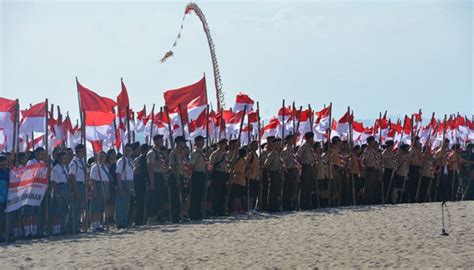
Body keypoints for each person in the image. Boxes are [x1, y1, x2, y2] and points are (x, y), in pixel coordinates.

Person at [23, 147, 46, 238]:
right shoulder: (31, 162)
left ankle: (34, 231)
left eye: (43, 154)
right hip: (30, 190)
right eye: (41, 154)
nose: (42, 156)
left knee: (36, 213)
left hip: (39, 191)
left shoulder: (42, 163)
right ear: (36, 154)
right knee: (28, 213)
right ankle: (27, 232)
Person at [146, 135, 169, 223]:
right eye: (160, 140)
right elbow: (150, 168)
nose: (161, 141)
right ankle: (152, 217)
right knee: (153, 197)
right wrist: (152, 182)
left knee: (161, 197)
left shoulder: (161, 153)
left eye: (162, 140)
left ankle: (159, 215)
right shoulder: (152, 153)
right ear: (155, 141)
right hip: (154, 176)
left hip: (161, 175)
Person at [89, 151, 110, 231]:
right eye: (100, 156)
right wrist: (93, 189)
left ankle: (99, 224)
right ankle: (94, 224)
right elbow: (92, 179)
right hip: (97, 185)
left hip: (104, 185)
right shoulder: (95, 167)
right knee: (95, 206)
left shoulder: (105, 167)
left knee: (101, 207)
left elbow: (107, 179)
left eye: (103, 157)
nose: (102, 158)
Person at [50, 151, 69, 235]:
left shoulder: (64, 167)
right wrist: (57, 194)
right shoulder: (55, 169)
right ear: (59, 158)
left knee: (63, 210)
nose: (65, 159)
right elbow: (54, 182)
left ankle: (62, 228)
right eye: (63, 158)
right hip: (59, 188)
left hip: (65, 188)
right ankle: (55, 229)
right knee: (56, 211)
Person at [115, 144, 135, 229]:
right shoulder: (121, 161)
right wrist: (120, 187)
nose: (127, 152)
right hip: (123, 182)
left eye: (129, 150)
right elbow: (118, 174)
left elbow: (132, 174)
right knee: (121, 204)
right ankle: (120, 222)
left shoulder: (131, 161)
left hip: (129, 182)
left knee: (127, 203)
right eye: (126, 150)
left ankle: (125, 220)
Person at [69, 144, 87, 233]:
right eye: (83, 151)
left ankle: (76, 226)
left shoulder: (82, 161)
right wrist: (75, 189)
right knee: (75, 207)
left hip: (82, 184)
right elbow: (72, 176)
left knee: (79, 207)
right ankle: (73, 227)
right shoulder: (74, 162)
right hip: (77, 185)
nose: (84, 153)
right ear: (78, 151)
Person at [168, 136, 187, 223]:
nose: (184, 144)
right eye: (183, 142)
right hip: (175, 177)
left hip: (182, 176)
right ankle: (175, 217)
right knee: (175, 198)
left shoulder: (181, 154)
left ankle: (181, 215)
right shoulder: (173, 153)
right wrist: (177, 179)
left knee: (182, 197)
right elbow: (173, 166)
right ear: (178, 143)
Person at [189, 135, 207, 220]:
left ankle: (198, 212)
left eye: (203, 141)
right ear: (196, 142)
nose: (203, 143)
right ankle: (193, 213)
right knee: (195, 195)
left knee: (200, 195)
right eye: (201, 141)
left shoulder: (202, 152)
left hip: (202, 174)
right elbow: (192, 165)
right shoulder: (195, 153)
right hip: (196, 174)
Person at [210, 138, 229, 216]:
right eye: (222, 144)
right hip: (217, 174)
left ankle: (221, 210)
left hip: (224, 174)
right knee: (216, 193)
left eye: (225, 144)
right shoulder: (215, 153)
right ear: (219, 144)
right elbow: (211, 165)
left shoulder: (225, 154)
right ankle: (215, 210)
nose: (224, 145)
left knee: (222, 193)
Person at [264, 137, 284, 212]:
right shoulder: (272, 154)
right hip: (273, 172)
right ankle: (271, 206)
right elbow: (266, 164)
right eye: (277, 144)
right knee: (272, 190)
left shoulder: (279, 154)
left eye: (280, 144)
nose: (279, 146)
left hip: (279, 172)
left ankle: (276, 205)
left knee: (277, 190)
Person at [297, 132, 315, 210]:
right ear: (308, 138)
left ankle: (308, 203)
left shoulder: (310, 147)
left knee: (309, 186)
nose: (312, 139)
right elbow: (298, 155)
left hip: (310, 166)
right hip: (305, 166)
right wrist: (301, 163)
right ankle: (303, 204)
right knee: (304, 186)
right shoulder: (304, 146)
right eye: (311, 138)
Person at [361, 136, 381, 205]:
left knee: (374, 186)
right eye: (372, 141)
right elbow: (364, 160)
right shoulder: (367, 150)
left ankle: (372, 200)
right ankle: (366, 201)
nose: (374, 143)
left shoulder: (372, 150)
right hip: (370, 169)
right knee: (368, 187)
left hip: (374, 169)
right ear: (370, 142)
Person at [281, 134, 298, 211]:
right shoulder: (286, 150)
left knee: (291, 188)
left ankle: (290, 203)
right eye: (292, 139)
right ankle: (286, 204)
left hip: (293, 170)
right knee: (287, 189)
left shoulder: (291, 149)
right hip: (288, 170)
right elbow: (283, 161)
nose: (294, 141)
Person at [230, 147, 247, 214]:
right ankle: (235, 209)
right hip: (237, 179)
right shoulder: (239, 160)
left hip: (242, 180)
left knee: (239, 196)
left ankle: (240, 208)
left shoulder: (243, 160)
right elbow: (236, 169)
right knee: (236, 196)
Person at [245, 141, 260, 211]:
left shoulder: (256, 155)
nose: (256, 146)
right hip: (250, 176)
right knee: (250, 194)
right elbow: (246, 163)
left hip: (255, 177)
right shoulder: (250, 155)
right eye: (255, 145)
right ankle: (249, 208)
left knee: (254, 194)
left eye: (257, 145)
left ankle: (252, 207)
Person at [408, 137, 423, 203]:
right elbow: (409, 158)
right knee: (412, 184)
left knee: (416, 183)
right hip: (413, 167)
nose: (418, 142)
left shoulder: (417, 150)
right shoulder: (412, 149)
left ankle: (414, 197)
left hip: (417, 167)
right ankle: (411, 198)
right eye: (417, 141)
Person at [0, 155, 10, 242]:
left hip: (7, 199)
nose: (3, 166)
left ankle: (4, 235)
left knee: (5, 219)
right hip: (1, 199)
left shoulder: (8, 172)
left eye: (5, 164)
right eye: (1, 164)